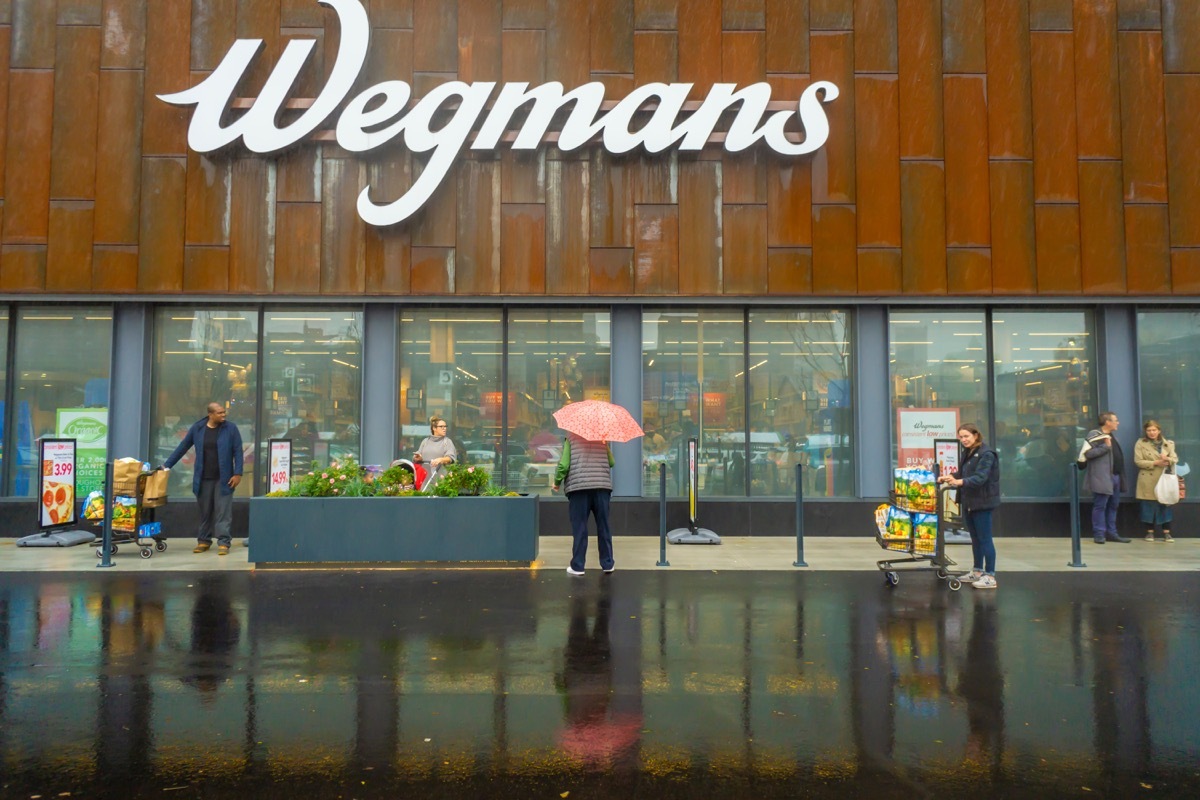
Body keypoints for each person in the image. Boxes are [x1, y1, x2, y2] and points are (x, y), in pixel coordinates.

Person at [164, 402, 244, 555]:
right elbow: (183, 447)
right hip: (203, 478)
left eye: (224, 412)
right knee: (205, 511)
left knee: (223, 512)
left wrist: (238, 473)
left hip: (224, 478)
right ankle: (204, 540)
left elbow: (238, 451)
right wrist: (166, 466)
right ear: (210, 414)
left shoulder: (231, 428)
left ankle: (223, 542)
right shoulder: (198, 428)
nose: (223, 415)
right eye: (220, 413)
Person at [938, 423, 1000, 589]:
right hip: (969, 501)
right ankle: (977, 571)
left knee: (985, 538)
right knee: (975, 538)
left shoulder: (987, 454)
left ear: (976, 435)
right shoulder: (968, 452)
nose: (963, 440)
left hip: (982, 502)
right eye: (961, 437)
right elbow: (963, 473)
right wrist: (948, 477)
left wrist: (959, 482)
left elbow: (980, 478)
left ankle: (990, 576)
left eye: (966, 436)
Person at [553, 432, 615, 576]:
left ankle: (578, 566)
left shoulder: (571, 438)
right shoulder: (602, 438)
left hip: (579, 488)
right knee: (604, 526)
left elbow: (564, 465)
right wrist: (605, 445)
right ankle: (608, 564)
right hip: (601, 487)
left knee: (580, 527)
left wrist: (556, 482)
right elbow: (611, 462)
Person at [1082, 411, 1130, 544]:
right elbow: (1088, 454)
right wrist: (1105, 447)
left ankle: (1111, 533)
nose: (1118, 423)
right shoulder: (1095, 435)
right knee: (1100, 505)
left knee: (1113, 506)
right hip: (1102, 477)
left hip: (1115, 476)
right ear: (1108, 422)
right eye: (1115, 420)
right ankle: (1099, 534)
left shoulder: (1111, 436)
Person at [1133, 420, 1178, 543]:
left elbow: (1175, 458)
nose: (1151, 433)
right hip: (1148, 478)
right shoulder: (1140, 443)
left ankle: (1167, 533)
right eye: (1149, 430)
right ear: (1145, 431)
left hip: (1164, 479)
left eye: (1154, 430)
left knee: (1165, 504)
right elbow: (1138, 461)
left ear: (1159, 431)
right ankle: (1149, 532)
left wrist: (1167, 459)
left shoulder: (1168, 444)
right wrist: (1156, 462)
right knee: (1148, 506)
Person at [412, 415, 456, 489]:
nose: (444, 428)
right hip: (425, 480)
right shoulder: (425, 441)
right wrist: (417, 457)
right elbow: (418, 455)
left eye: (445, 426)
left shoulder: (447, 442)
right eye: (441, 426)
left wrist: (440, 459)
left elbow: (450, 458)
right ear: (434, 428)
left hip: (440, 480)